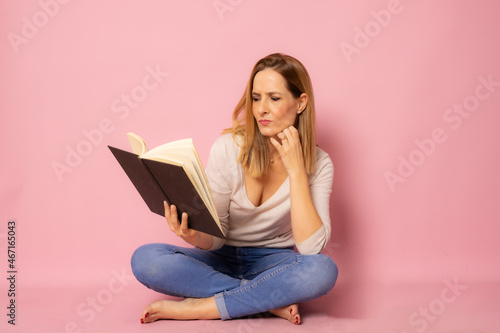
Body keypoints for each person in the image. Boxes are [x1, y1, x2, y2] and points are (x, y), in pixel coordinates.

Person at [131, 53, 338, 325]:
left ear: (300, 103)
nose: (261, 109)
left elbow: (311, 249)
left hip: (274, 263)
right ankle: (265, 300)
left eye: (274, 98)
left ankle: (202, 308)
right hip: (220, 257)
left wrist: (297, 172)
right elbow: (215, 239)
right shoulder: (228, 148)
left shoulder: (320, 164)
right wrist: (193, 235)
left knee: (322, 271)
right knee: (146, 260)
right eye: (256, 98)